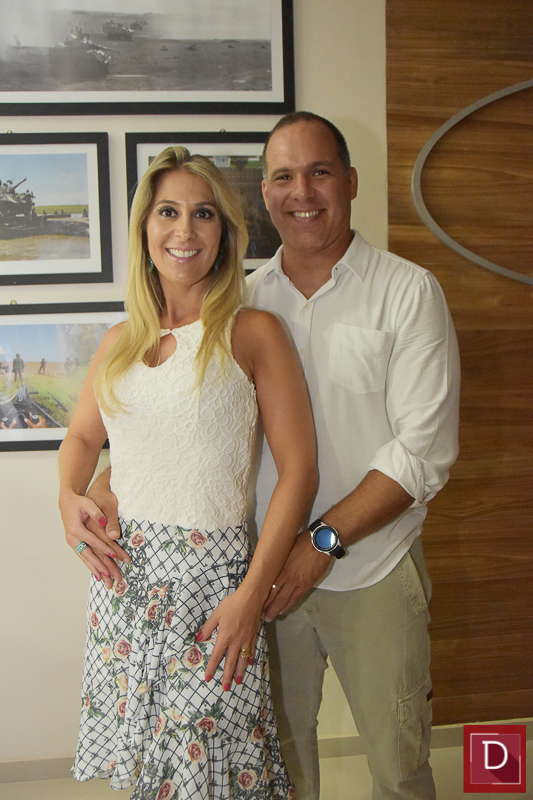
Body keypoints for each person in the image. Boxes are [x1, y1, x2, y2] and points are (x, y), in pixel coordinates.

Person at [75, 113, 460, 800]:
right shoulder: (237, 300)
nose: (301, 191)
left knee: (397, 764)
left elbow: (421, 453)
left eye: (319, 172)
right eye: (283, 176)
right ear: (264, 194)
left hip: (369, 568)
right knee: (276, 763)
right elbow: (186, 427)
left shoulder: (406, 291)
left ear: (350, 181)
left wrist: (319, 543)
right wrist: (107, 481)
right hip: (254, 569)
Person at [58, 145, 318, 799]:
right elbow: (84, 436)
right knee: (153, 775)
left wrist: (252, 593)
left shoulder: (252, 332)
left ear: (225, 232)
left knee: (217, 773)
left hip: (213, 589)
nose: (185, 230)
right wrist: (67, 497)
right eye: (167, 212)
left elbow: (298, 473)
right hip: (126, 585)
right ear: (145, 229)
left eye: (203, 214)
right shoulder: (119, 342)